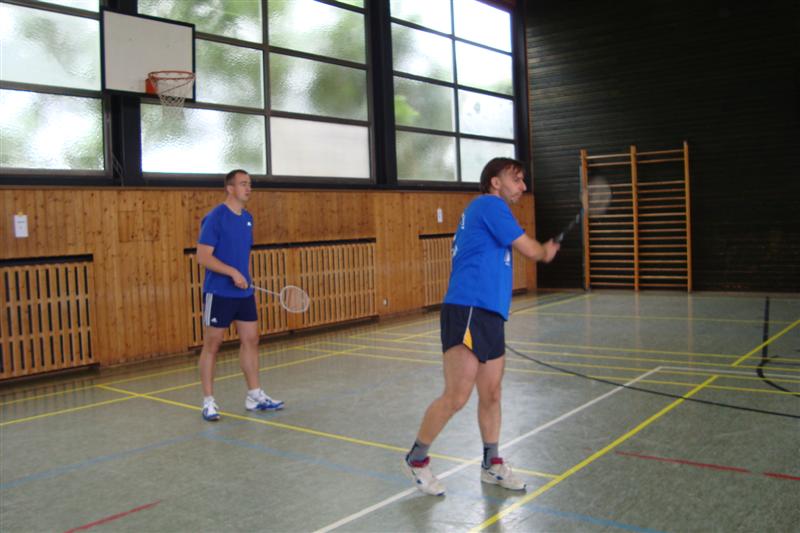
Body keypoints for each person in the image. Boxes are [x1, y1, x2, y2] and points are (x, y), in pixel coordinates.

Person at [403, 157, 559, 495]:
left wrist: (540, 251)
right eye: (516, 179)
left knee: (491, 393)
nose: (523, 186)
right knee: (457, 395)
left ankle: (492, 463)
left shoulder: (489, 211)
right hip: (468, 307)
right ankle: (417, 458)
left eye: (523, 180)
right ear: (495, 182)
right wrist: (544, 251)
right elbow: (530, 249)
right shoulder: (489, 205)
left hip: (490, 313)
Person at [196, 169, 284, 421]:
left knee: (251, 339)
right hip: (219, 292)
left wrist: (243, 276)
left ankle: (254, 395)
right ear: (230, 188)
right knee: (213, 344)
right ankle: (208, 401)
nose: (248, 188)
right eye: (243, 184)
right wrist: (232, 272)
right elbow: (203, 257)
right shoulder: (215, 217)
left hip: (243, 292)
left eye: (250, 184)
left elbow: (239, 254)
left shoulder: (247, 218)